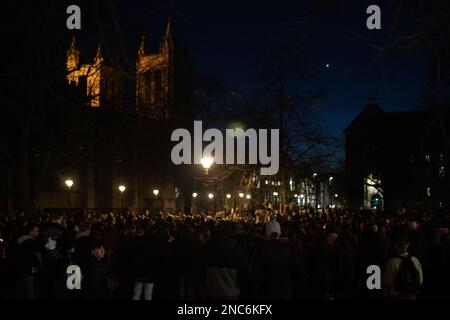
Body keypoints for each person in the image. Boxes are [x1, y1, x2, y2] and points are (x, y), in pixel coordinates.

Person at [382, 233, 423, 300]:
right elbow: (420, 280)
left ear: (396, 246)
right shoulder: (415, 260)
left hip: (396, 296)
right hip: (411, 296)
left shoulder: (392, 262)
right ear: (408, 245)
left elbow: (387, 282)